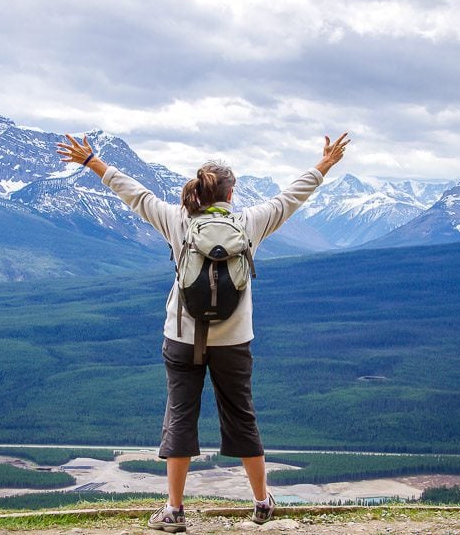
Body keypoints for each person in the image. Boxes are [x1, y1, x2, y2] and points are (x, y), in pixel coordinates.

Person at [57, 132, 349, 532]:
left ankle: (174, 511)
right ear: (232, 193)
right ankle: (262, 502)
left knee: (180, 417)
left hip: (180, 339)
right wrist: (325, 165)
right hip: (233, 342)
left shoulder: (179, 221)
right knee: (242, 416)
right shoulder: (248, 224)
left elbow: (137, 195)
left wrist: (93, 162)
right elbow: (289, 199)